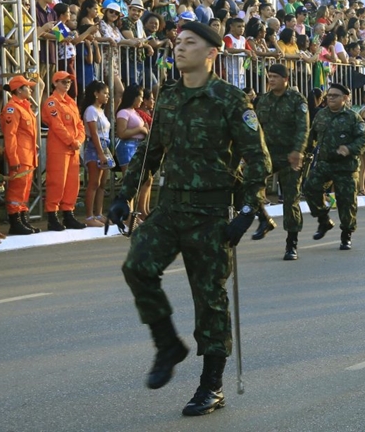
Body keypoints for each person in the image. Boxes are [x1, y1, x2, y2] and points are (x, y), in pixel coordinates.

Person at [111, 21, 271, 417]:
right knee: (138, 267)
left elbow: (258, 158)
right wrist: (124, 195)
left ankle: (211, 385)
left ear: (211, 53)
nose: (180, 49)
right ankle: (168, 343)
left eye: (190, 43)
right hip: (169, 208)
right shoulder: (168, 97)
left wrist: (249, 209)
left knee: (209, 300)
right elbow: (152, 150)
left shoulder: (230, 100)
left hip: (211, 212)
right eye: (177, 43)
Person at [252, 63, 309, 261]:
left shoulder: (296, 100)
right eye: (269, 76)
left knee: (290, 199)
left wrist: (298, 151)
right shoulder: (264, 100)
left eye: (275, 76)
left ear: (285, 79)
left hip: (289, 156)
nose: (271, 79)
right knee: (249, 184)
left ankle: (291, 244)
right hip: (267, 154)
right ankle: (264, 219)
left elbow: (303, 127)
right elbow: (256, 128)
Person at [302, 83, 365, 250]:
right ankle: (324, 220)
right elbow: (311, 136)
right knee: (310, 188)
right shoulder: (321, 115)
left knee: (347, 202)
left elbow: (364, 139)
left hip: (346, 166)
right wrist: (303, 151)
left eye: (335, 95)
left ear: (345, 98)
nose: (330, 98)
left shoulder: (353, 117)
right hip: (325, 164)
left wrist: (349, 148)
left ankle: (346, 233)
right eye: (329, 95)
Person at [41, 71, 87, 231]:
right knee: (57, 182)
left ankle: (68, 213)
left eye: (68, 81)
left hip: (73, 148)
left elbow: (80, 125)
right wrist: (72, 141)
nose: (67, 84)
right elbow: (56, 125)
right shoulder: (51, 102)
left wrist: (79, 140)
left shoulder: (71, 102)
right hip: (59, 148)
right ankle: (52, 216)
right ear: (55, 83)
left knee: (72, 183)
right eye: (63, 81)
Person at [0, 74, 39, 235]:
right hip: (20, 155)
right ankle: (15, 221)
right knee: (17, 189)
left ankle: (22, 218)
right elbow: (10, 135)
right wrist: (13, 158)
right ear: (18, 90)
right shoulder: (12, 108)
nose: (30, 89)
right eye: (27, 87)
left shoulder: (24, 106)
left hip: (28, 154)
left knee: (25, 188)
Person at [114, 85, 151, 219]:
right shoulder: (123, 112)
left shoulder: (135, 112)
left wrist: (144, 130)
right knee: (130, 182)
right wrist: (140, 130)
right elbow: (122, 133)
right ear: (133, 97)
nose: (141, 100)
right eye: (140, 96)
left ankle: (142, 212)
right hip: (128, 146)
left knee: (145, 180)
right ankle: (128, 215)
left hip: (138, 146)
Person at [81, 81, 113, 227]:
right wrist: (100, 153)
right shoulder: (91, 110)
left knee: (102, 183)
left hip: (105, 146)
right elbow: (94, 134)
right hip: (95, 147)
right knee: (94, 182)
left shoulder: (101, 110)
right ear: (96, 94)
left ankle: (99, 213)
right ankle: (89, 216)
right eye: (104, 93)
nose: (107, 96)